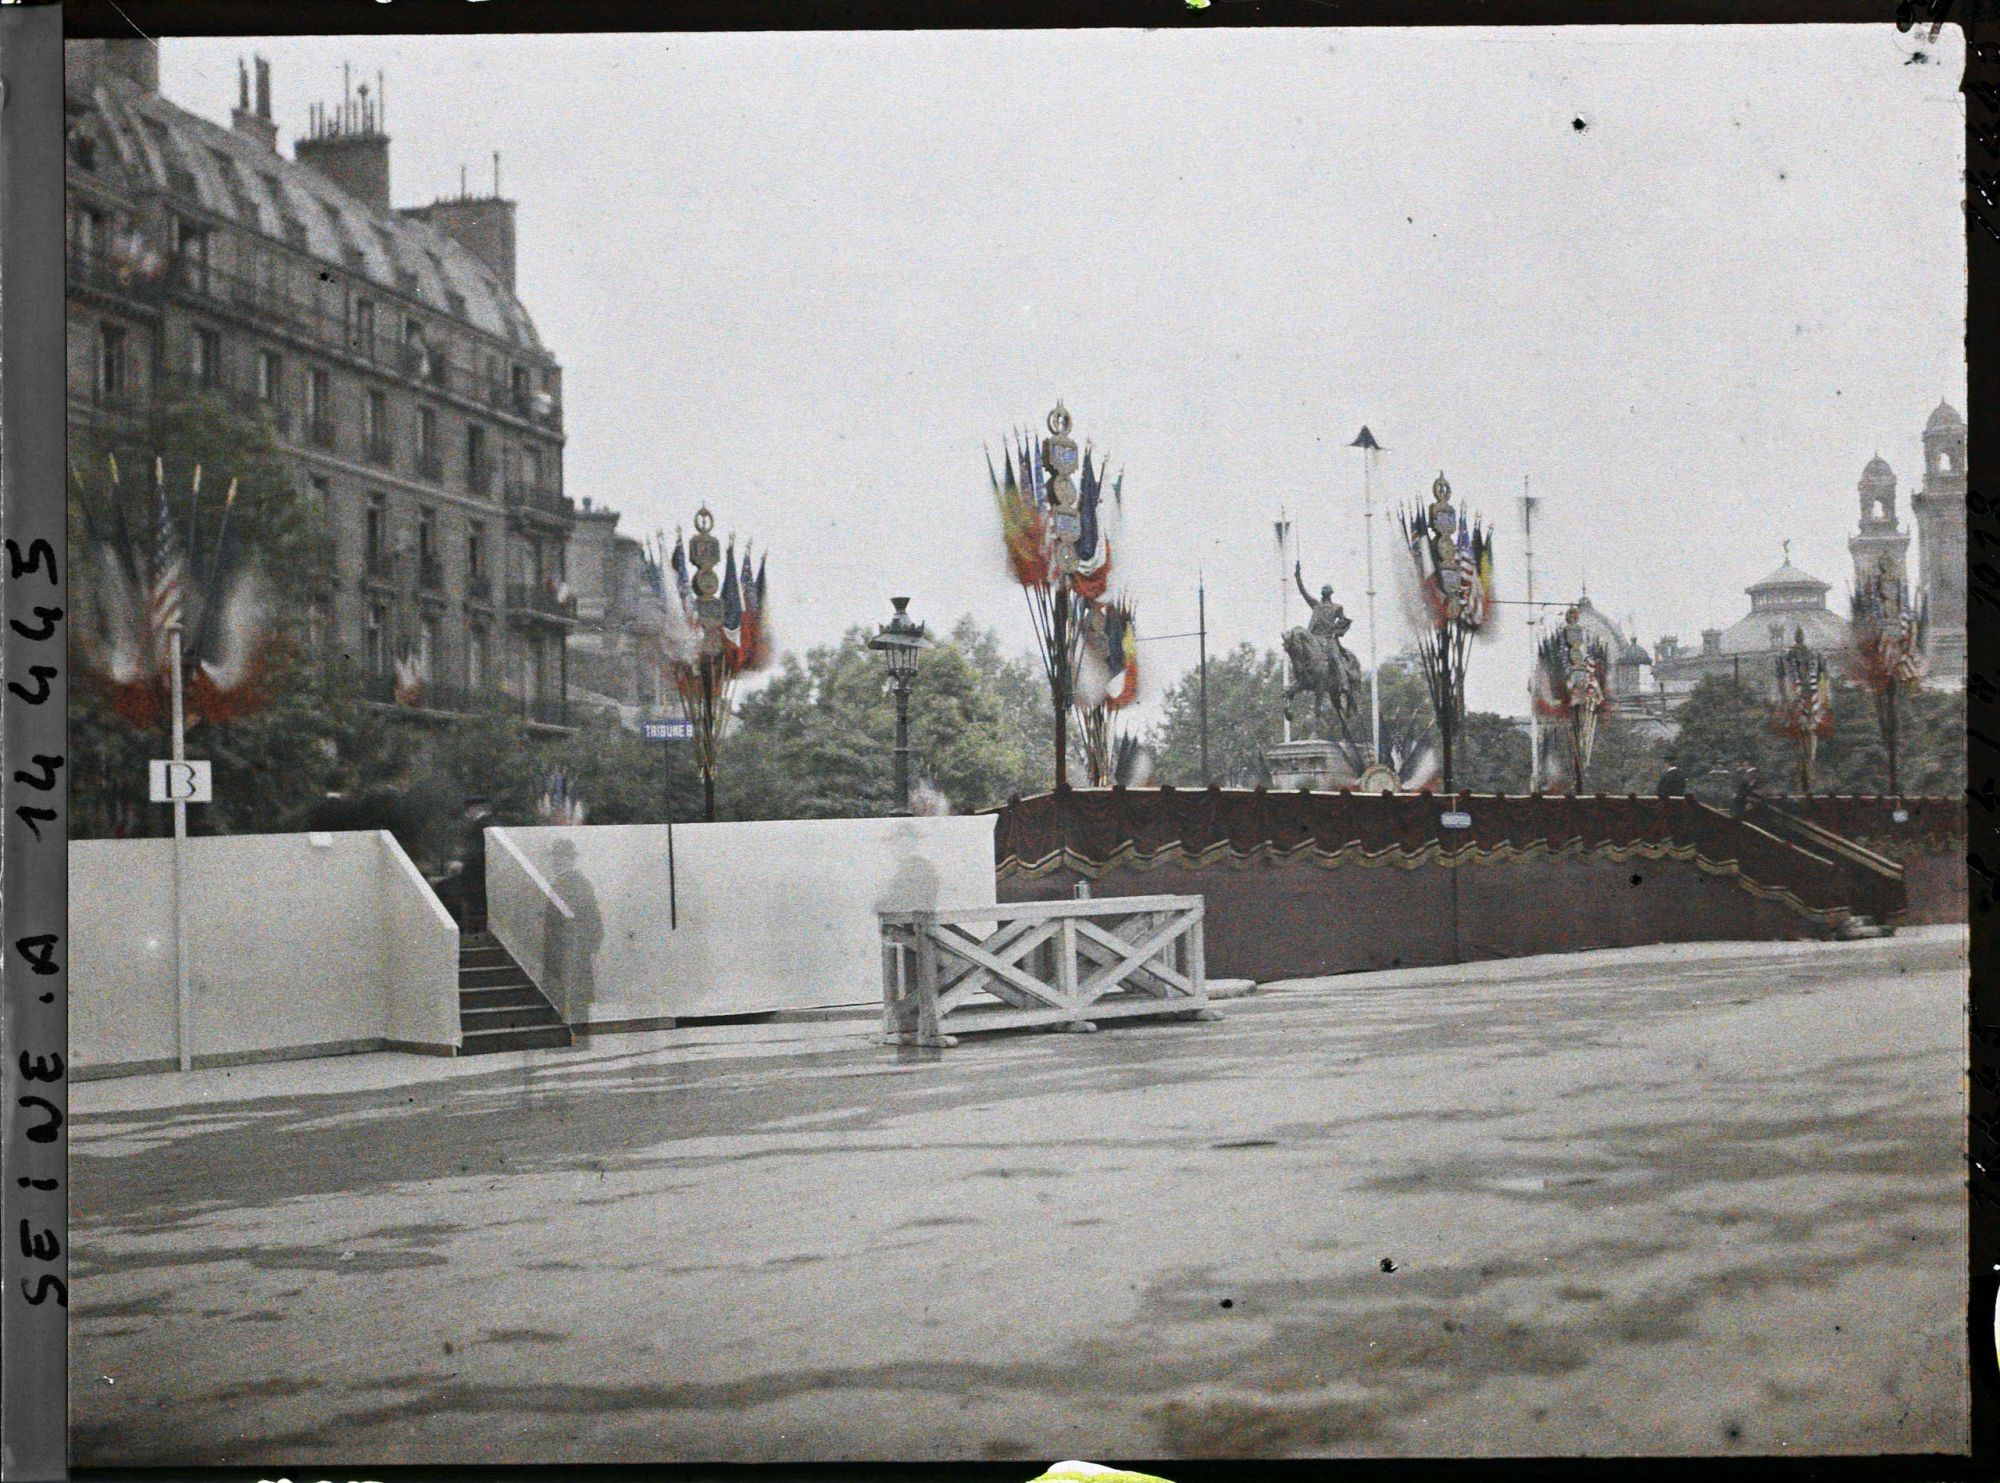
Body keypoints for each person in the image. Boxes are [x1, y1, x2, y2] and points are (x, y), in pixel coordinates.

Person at [457, 794, 496, 934]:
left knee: (446, 889)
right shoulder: (494, 822)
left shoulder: (481, 825)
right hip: (489, 878)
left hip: (478, 880)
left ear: (475, 809)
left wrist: (461, 865)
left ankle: (464, 931)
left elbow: (476, 855)